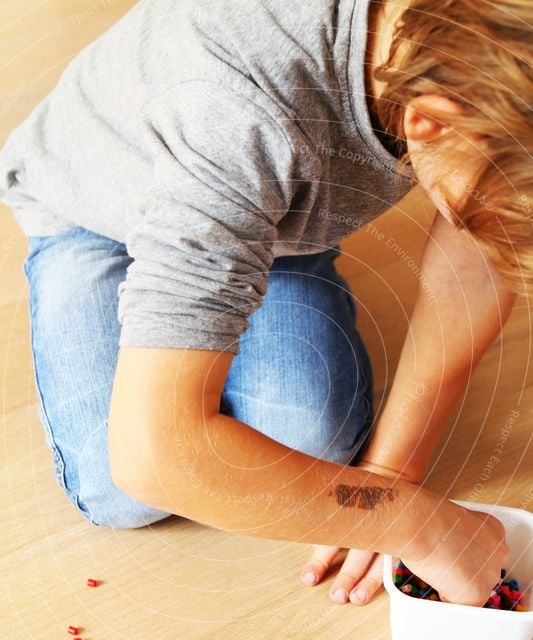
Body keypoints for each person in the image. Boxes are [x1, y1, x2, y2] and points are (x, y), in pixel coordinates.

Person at [1, 0, 530, 608]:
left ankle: (252, 242)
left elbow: (479, 241)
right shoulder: (241, 117)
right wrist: (413, 523)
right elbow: (152, 456)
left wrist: (391, 480)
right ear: (431, 120)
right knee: (120, 486)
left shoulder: (470, 63)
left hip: (263, 212)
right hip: (96, 210)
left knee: (310, 450)